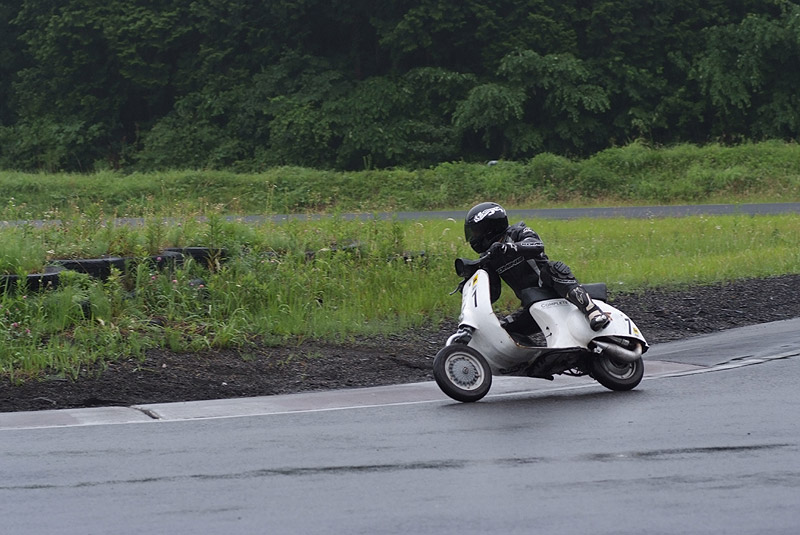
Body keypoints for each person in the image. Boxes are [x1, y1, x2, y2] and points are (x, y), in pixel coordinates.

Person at [454, 201, 610, 341]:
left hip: (550, 288)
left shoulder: (518, 232)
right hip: (532, 303)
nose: (473, 237)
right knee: (503, 330)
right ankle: (530, 359)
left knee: (554, 268)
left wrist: (508, 248)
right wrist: (474, 284)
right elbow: (494, 293)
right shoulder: (489, 256)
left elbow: (536, 245)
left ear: (489, 228)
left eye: (476, 232)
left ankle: (593, 312)